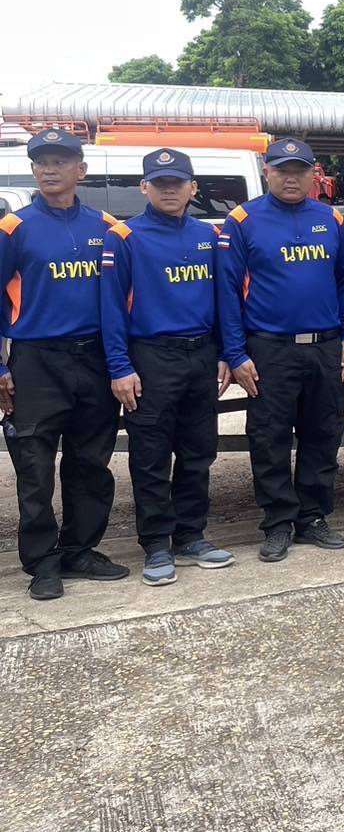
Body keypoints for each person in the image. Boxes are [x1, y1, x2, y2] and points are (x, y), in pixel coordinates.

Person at [217, 137, 344, 562]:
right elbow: (226, 293)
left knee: (323, 433)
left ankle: (312, 517)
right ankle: (278, 522)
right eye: (281, 170)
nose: (290, 177)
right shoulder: (243, 220)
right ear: (267, 172)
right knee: (269, 436)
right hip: (268, 350)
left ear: (315, 174)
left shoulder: (330, 218)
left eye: (299, 170)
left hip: (324, 347)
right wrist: (236, 354)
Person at [0, 129, 126, 600]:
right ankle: (42, 563)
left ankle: (80, 549)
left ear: (81, 170)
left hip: (93, 357)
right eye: (41, 162)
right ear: (33, 170)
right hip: (37, 361)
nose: (50, 169)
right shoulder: (14, 228)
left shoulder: (107, 226)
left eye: (60, 161)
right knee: (34, 466)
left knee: (91, 461)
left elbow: (123, 298)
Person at [101, 149, 236, 586]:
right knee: (152, 456)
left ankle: (191, 535)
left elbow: (222, 302)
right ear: (145, 188)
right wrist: (120, 367)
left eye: (178, 183)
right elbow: (110, 310)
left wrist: (221, 353)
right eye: (160, 184)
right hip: (150, 358)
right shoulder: (124, 237)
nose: (170, 190)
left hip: (199, 357)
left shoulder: (207, 236)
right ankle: (157, 544)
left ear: (192, 188)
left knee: (199, 452)